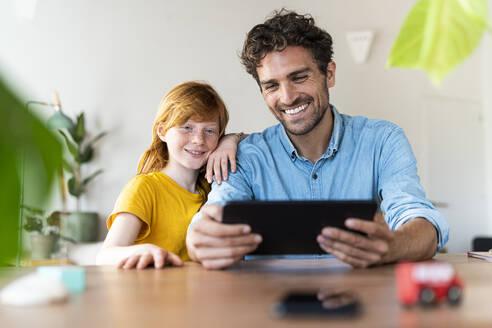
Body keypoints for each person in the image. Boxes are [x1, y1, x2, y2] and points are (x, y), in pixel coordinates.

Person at [185, 10, 449, 270]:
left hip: (360, 302)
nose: (287, 97)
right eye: (272, 86)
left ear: (329, 74)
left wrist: (393, 245)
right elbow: (208, 221)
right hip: (266, 305)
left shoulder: (383, 140)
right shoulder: (244, 157)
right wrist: (199, 240)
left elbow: (422, 222)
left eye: (299, 77)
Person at [96, 81, 242, 269]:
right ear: (162, 132)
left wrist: (231, 140)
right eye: (187, 127)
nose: (198, 140)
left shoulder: (215, 188)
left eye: (209, 130)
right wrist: (144, 250)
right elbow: (105, 256)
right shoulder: (144, 188)